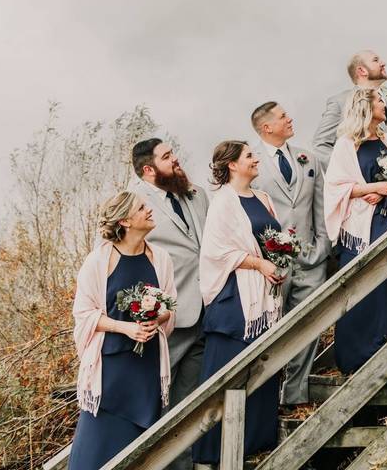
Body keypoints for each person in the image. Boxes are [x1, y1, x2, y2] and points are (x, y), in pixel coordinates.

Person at [192, 141, 286, 463]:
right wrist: (259, 264)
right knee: (229, 377)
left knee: (263, 372)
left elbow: (272, 240)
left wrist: (282, 254)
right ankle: (215, 454)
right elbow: (216, 252)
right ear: (232, 165)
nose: (255, 158)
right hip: (234, 305)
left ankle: (257, 447)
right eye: (249, 155)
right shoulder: (222, 203)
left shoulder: (263, 199)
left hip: (265, 299)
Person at [69, 192, 176, 470]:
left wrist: (158, 319)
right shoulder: (98, 261)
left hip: (147, 369)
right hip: (111, 371)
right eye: (142, 208)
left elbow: (170, 308)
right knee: (95, 449)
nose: (149, 211)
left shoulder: (161, 258)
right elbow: (84, 314)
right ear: (126, 220)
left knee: (141, 454)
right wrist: (125, 327)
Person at [127, 139, 208, 470]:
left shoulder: (195, 193)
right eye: (167, 156)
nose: (176, 159)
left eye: (174, 152)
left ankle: (182, 465)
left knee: (187, 401)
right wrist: (140, 307)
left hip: (207, 308)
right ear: (148, 169)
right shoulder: (132, 204)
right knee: (155, 398)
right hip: (165, 317)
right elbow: (115, 255)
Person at [323, 89, 387, 373]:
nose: (384, 105)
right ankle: (358, 355)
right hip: (362, 229)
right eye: (378, 101)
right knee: (364, 286)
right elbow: (336, 187)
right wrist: (372, 188)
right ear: (364, 106)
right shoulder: (346, 145)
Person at [249, 101, 331, 407]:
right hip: (272, 263)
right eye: (283, 116)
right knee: (272, 327)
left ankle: (295, 395)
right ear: (266, 127)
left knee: (309, 324)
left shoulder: (307, 157)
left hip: (311, 258)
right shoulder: (251, 162)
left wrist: (323, 244)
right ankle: (266, 398)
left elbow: (319, 205)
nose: (290, 118)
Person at [312, 50, 387, 197]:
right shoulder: (340, 103)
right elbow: (320, 144)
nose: (383, 63)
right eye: (376, 60)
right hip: (367, 196)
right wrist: (354, 177)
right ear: (361, 70)